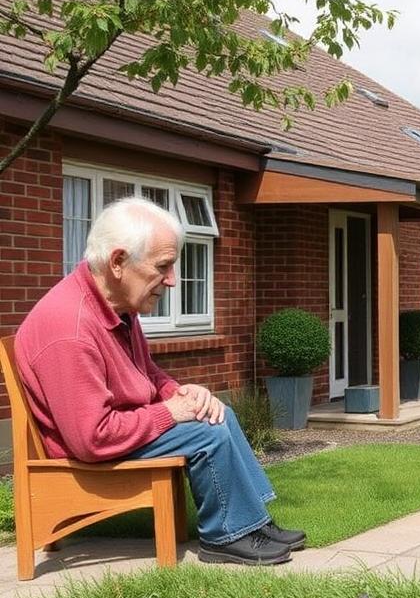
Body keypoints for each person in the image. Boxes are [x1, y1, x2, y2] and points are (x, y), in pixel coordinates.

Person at [15, 197, 306, 566]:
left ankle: (254, 523)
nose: (172, 280)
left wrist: (178, 393)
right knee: (207, 432)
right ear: (118, 262)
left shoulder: (118, 307)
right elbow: (92, 438)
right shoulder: (70, 328)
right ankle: (224, 536)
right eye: (163, 267)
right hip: (92, 449)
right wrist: (171, 413)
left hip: (118, 427)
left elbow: (147, 374)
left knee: (217, 413)